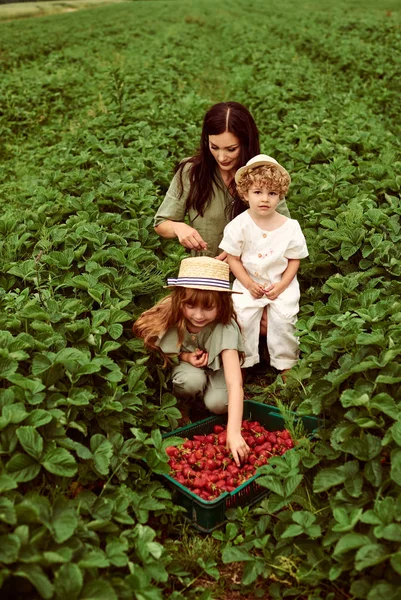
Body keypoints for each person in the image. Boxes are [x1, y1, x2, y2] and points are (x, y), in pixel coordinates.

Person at [133, 256, 249, 466]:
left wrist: (234, 432)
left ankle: (208, 399)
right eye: (191, 306)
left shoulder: (224, 327)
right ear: (180, 301)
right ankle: (184, 404)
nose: (198, 315)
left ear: (222, 304)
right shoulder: (175, 319)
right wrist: (186, 357)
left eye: (208, 307)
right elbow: (163, 349)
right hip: (188, 369)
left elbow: (234, 382)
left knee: (218, 403)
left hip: (218, 370)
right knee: (189, 381)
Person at [154, 101, 290, 259]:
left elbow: (285, 232)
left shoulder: (263, 174)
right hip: (204, 273)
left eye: (231, 149)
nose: (222, 157)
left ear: (246, 143)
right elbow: (161, 223)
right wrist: (179, 227)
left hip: (253, 275)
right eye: (214, 147)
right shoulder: (191, 172)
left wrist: (241, 250)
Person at [219, 155, 308, 373]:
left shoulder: (290, 226)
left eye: (272, 193)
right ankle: (243, 363)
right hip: (248, 282)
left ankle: (286, 365)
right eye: (257, 192)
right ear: (246, 194)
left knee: (284, 321)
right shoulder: (238, 225)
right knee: (241, 316)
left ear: (280, 196)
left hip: (280, 283)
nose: (264, 199)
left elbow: (294, 259)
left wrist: (282, 285)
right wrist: (248, 284)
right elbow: (233, 258)